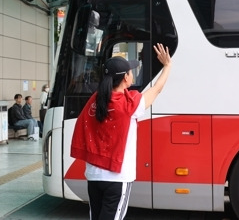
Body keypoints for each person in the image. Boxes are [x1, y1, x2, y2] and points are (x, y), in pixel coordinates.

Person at [71, 43, 172, 220]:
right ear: (125, 77)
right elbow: (156, 89)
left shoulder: (95, 100)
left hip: (94, 175)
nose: (132, 74)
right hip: (117, 177)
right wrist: (167, 66)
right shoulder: (128, 105)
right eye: (131, 71)